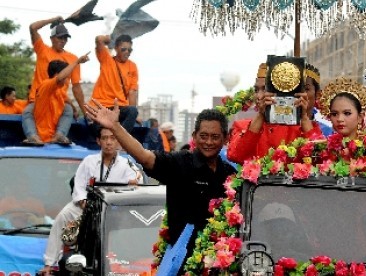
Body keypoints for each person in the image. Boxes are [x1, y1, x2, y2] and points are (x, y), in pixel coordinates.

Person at [84, 101, 237, 273]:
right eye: (203, 136)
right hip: (180, 266)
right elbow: (144, 157)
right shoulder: (179, 163)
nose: (208, 142)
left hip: (219, 266)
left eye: (215, 137)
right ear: (194, 136)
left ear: (225, 138)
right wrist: (115, 127)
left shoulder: (230, 174)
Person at [40, 126, 141, 275]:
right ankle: (49, 265)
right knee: (63, 216)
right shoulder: (89, 161)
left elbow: (135, 183)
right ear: (98, 141)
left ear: (119, 142)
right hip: (86, 207)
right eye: (105, 138)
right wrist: (85, 204)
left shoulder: (127, 164)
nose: (109, 142)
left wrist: (134, 182)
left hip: (113, 212)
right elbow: (79, 187)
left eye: (113, 138)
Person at [227, 61, 324, 164]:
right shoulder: (242, 126)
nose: (260, 96)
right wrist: (261, 115)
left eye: (265, 89)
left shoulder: (313, 129)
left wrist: (304, 117)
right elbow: (236, 156)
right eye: (256, 90)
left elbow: (322, 161)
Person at [23, 19, 86, 144]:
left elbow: (76, 87)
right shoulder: (43, 50)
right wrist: (54, 19)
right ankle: (33, 137)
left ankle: (59, 135)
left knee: (68, 110)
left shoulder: (72, 58)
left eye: (65, 38)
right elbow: (33, 27)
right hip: (39, 98)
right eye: (60, 37)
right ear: (52, 38)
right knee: (27, 112)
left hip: (59, 100)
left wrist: (84, 111)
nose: (63, 41)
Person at [33, 54, 90, 144]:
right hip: (43, 138)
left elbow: (66, 100)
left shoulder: (58, 91)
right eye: (66, 77)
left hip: (53, 140)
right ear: (56, 74)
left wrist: (74, 110)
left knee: (68, 108)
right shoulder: (46, 85)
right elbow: (60, 78)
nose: (67, 80)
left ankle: (59, 135)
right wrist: (77, 61)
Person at [88, 34, 139, 134]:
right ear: (116, 48)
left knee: (133, 110)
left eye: (130, 50)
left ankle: (120, 141)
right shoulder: (106, 59)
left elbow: (132, 93)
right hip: (101, 107)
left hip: (119, 108)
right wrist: (108, 39)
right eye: (124, 49)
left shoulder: (132, 66)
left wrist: (133, 116)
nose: (127, 52)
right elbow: (99, 39)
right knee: (101, 130)